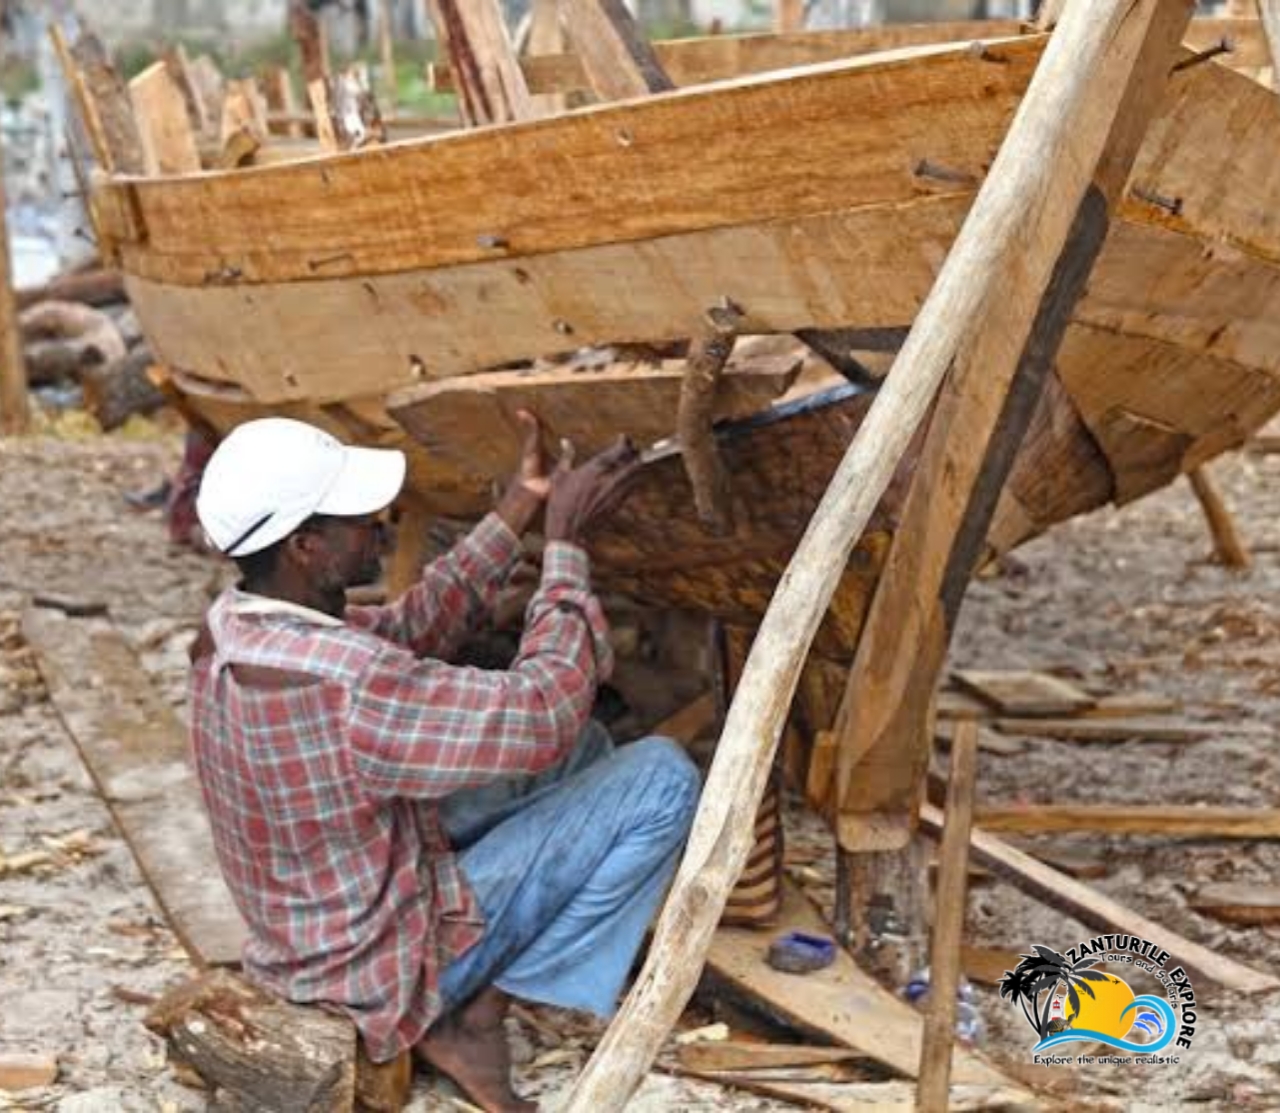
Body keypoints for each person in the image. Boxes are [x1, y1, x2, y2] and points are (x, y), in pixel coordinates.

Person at [189, 413, 700, 1111]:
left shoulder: (234, 628)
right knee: (663, 777)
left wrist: (519, 502)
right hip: (376, 974)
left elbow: (401, 631)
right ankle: (473, 1007)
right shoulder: (350, 682)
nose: (381, 521)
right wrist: (565, 548)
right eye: (358, 519)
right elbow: (544, 709)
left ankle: (478, 989)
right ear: (307, 546)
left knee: (589, 755)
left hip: (310, 935)